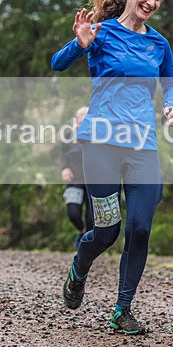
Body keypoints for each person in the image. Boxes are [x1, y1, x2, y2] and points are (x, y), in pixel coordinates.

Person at [51, 0, 173, 335]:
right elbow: (57, 64)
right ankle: (80, 267)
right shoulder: (101, 32)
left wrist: (172, 105)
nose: (152, 2)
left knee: (140, 228)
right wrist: (80, 42)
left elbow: (170, 83)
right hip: (101, 144)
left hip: (143, 146)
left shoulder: (159, 44)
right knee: (106, 230)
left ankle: (122, 309)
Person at [60, 106, 93, 249]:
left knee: (91, 218)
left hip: (93, 180)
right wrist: (64, 168)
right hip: (75, 179)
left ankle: (87, 246)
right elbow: (62, 155)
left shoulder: (99, 135)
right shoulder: (69, 136)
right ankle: (81, 230)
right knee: (73, 212)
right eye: (81, 121)